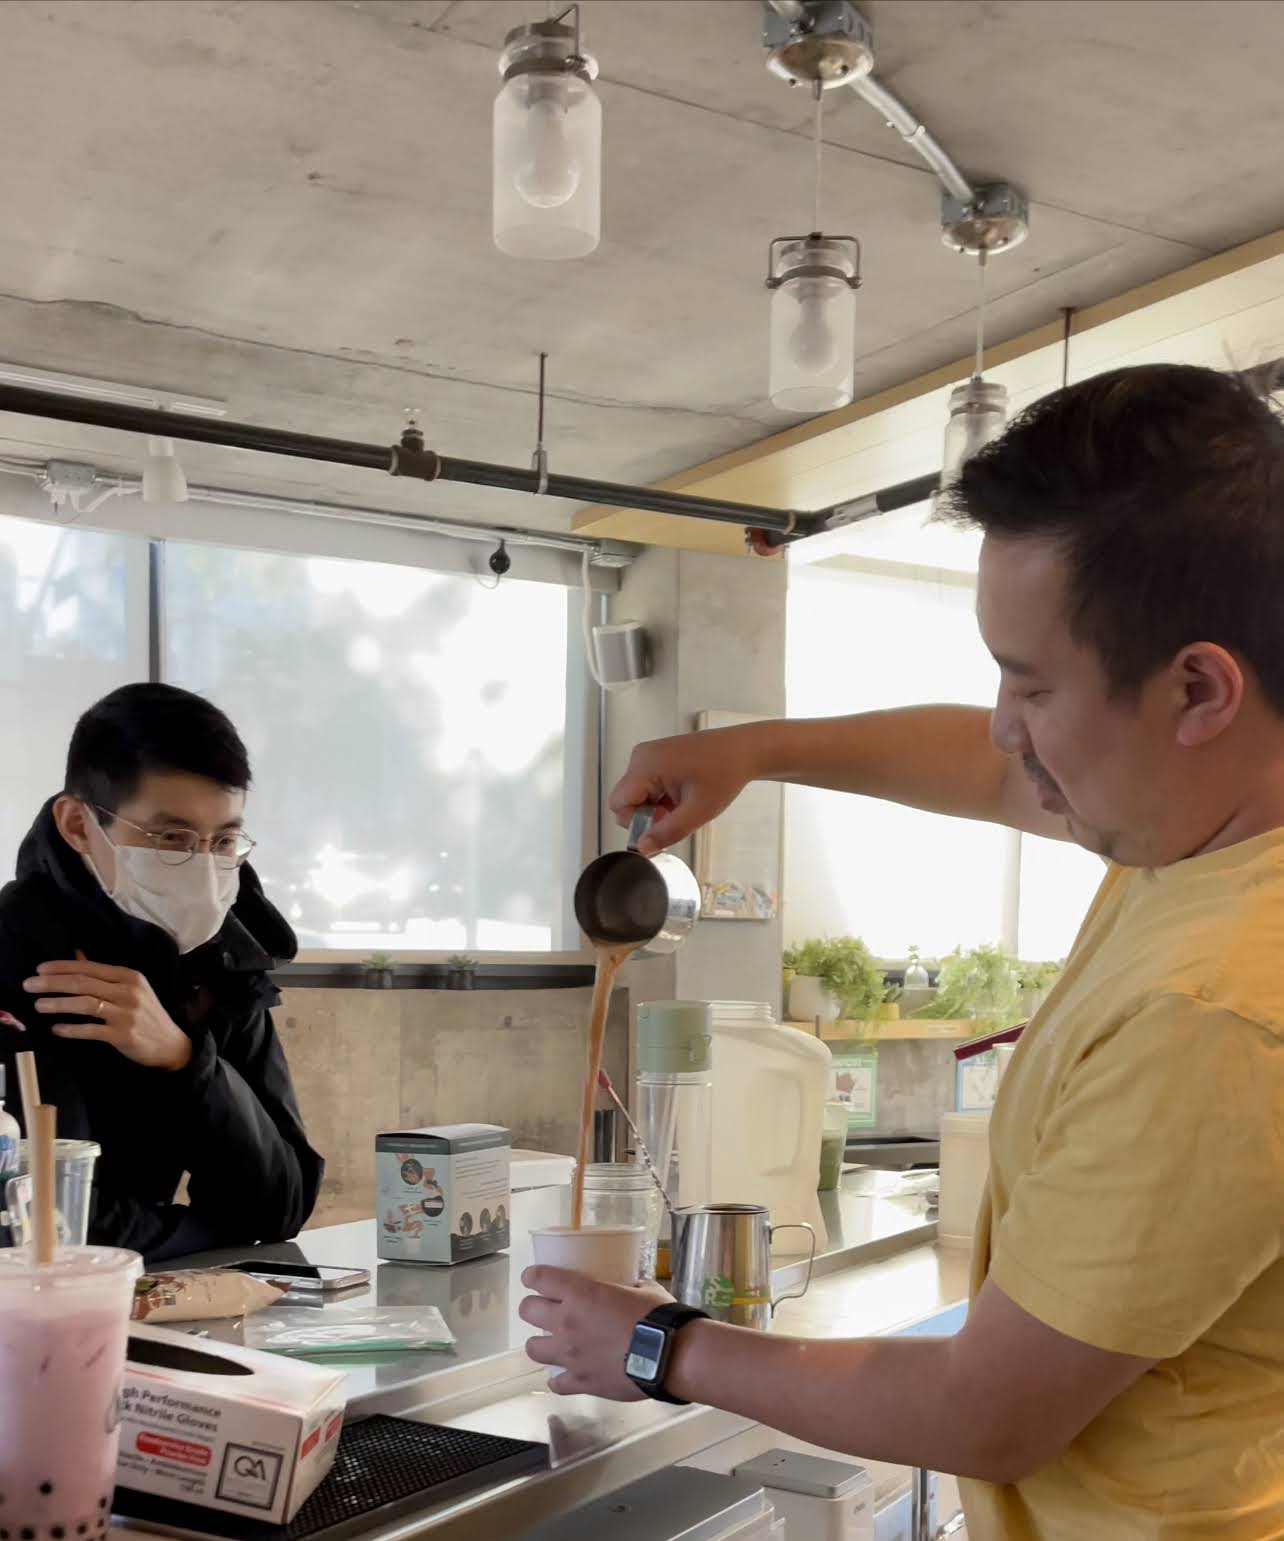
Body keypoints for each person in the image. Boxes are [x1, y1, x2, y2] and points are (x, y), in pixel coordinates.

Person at [521, 363, 1284, 1539]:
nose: (1002, 726)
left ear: (1197, 687)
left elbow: (986, 1412)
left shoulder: (1220, 1004)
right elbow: (989, 769)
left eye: (1030, 683)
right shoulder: (1198, 819)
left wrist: (655, 1339)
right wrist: (757, 748)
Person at [0, 683, 322, 1263]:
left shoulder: (222, 961)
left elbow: (281, 1204)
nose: (202, 869)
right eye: (171, 838)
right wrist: (216, 1231)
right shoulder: (18, 955)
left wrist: (182, 1059)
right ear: (78, 825)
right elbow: (52, 1229)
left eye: (223, 840)